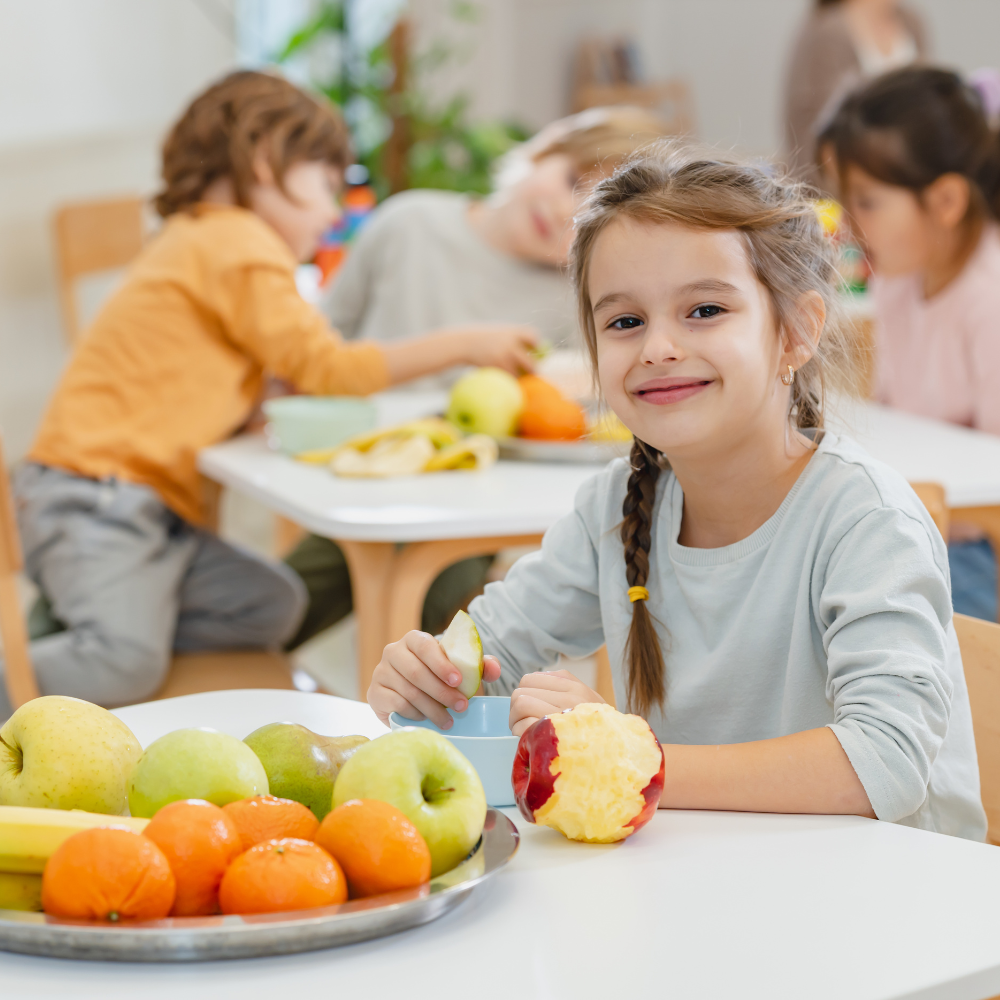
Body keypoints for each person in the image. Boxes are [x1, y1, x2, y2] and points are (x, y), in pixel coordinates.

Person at [367, 144, 986, 840]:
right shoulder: (616, 505)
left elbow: (886, 762)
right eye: (625, 322)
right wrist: (425, 677)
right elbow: (492, 655)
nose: (658, 346)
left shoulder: (865, 519)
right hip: (714, 887)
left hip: (895, 916)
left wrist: (631, 759)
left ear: (797, 331)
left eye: (705, 310)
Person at [1, 71, 536, 720]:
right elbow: (329, 368)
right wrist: (462, 344)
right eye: (325, 186)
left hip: (149, 508)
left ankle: (90, 637)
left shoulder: (200, 239)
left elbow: (218, 373)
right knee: (124, 660)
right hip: (98, 496)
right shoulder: (237, 242)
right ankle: (51, 672)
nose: (333, 212)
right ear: (264, 159)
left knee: (270, 605)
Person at [285, 107, 673, 650]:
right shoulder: (408, 223)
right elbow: (318, 349)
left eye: (586, 220)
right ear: (545, 146)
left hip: (469, 495)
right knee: (291, 600)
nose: (563, 212)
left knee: (448, 629)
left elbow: (572, 400)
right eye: (570, 181)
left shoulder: (576, 300)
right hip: (363, 472)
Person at [822, 67, 1000, 622]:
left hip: (971, 545)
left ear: (945, 200)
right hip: (912, 521)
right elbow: (893, 423)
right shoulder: (899, 280)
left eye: (868, 201)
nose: (848, 223)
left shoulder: (988, 296)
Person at [783, 0, 926, 184]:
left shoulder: (912, 22)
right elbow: (808, 132)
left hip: (904, 180)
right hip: (844, 186)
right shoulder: (827, 32)